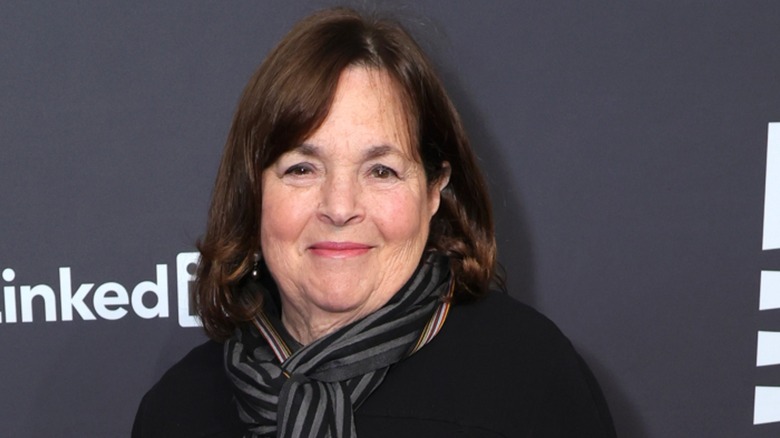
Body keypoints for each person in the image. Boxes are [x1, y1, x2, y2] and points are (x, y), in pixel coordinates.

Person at [133, 7, 616, 438]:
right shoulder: (181, 409)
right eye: (302, 169)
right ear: (252, 192)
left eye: (381, 171)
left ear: (434, 190)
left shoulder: (528, 380)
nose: (340, 206)